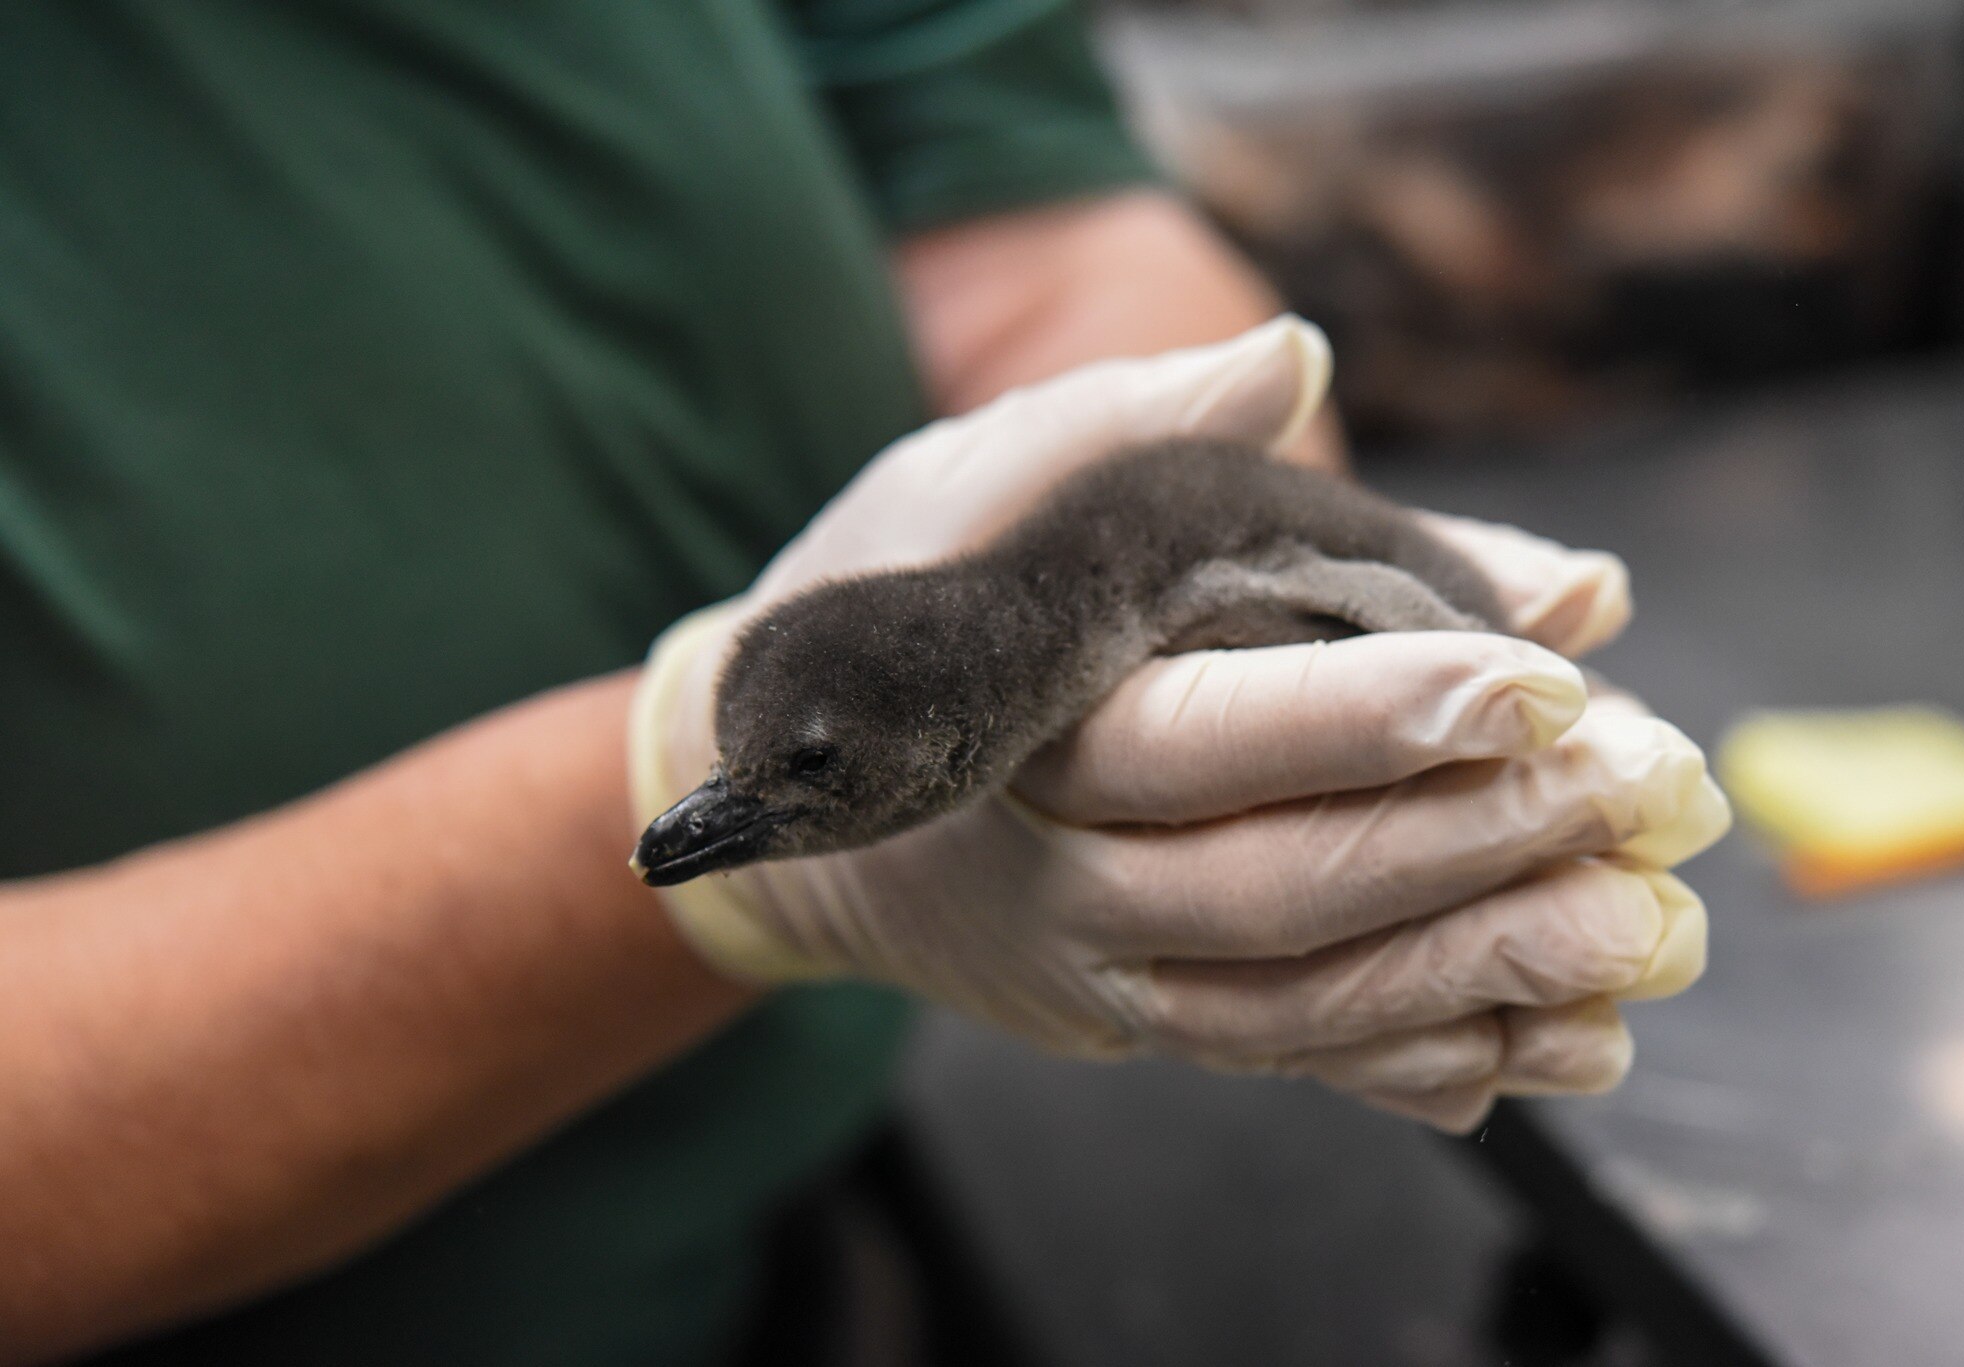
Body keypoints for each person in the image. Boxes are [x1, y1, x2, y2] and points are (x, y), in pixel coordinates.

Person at [0, 2, 1723, 1363]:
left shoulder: (1039, 643)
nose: (707, 814)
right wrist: (670, 859)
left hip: (771, 1245)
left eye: (789, 782)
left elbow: (1038, 230)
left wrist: (1262, 746)